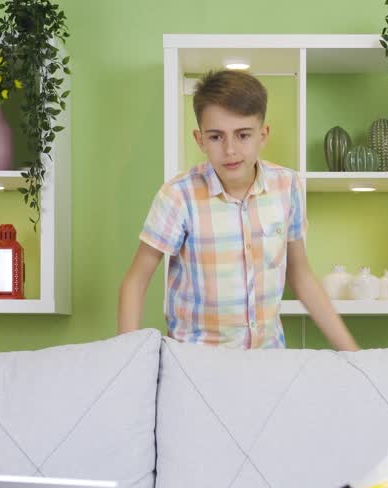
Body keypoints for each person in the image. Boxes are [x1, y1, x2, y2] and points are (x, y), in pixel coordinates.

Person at [117, 69, 358, 351]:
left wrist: (352, 353)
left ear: (263, 134)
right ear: (200, 139)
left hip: (267, 362)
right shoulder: (178, 196)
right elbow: (136, 280)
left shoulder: (287, 186)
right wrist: (127, 366)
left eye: (243, 135)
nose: (230, 150)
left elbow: (301, 275)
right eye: (217, 137)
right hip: (194, 365)